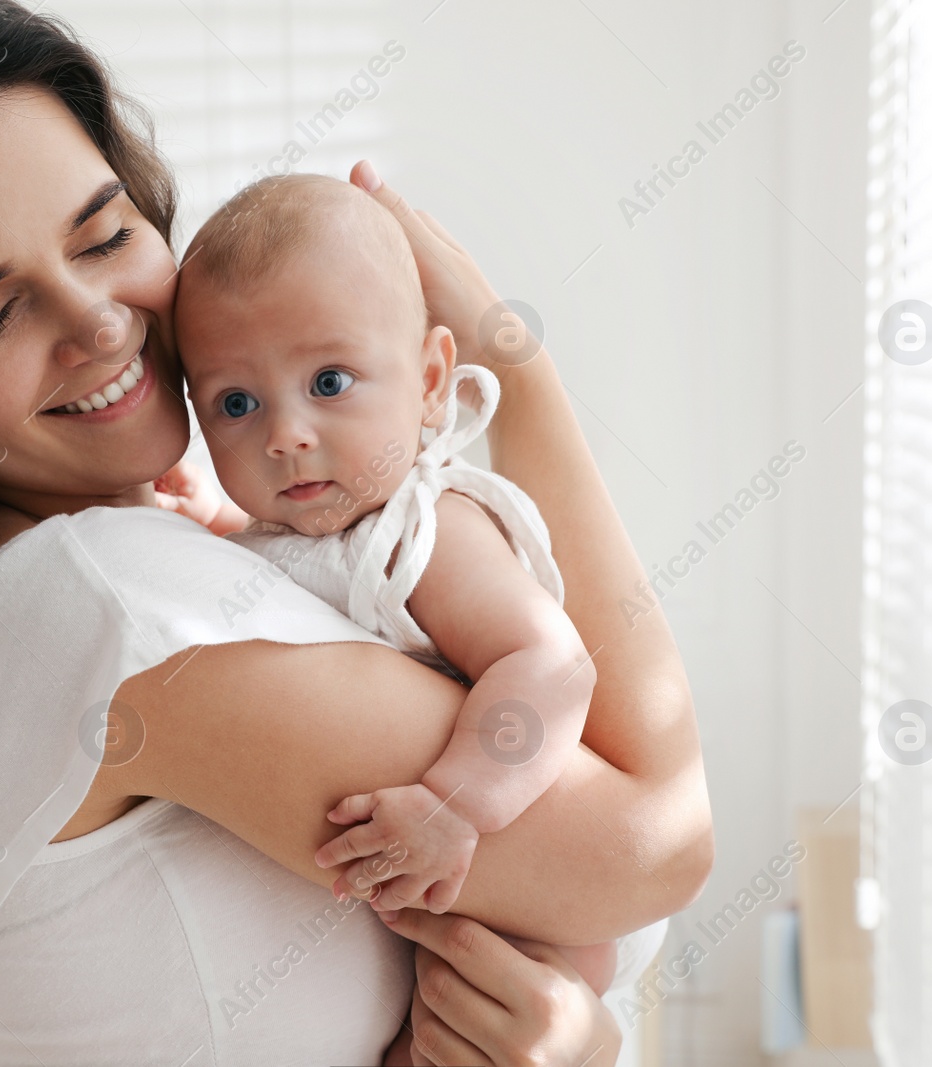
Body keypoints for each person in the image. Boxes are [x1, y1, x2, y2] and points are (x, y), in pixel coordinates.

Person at [0, 2, 713, 1064]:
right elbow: (656, 846)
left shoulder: (22, 605)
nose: (101, 321)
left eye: (106, 236)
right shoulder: (109, 603)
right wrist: (518, 376)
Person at [173, 173, 625, 993]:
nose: (286, 435)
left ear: (428, 381)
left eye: (329, 382)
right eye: (236, 402)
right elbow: (288, 575)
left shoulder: (427, 530)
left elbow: (552, 665)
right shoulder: (302, 524)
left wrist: (457, 806)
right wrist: (213, 523)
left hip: (528, 906)